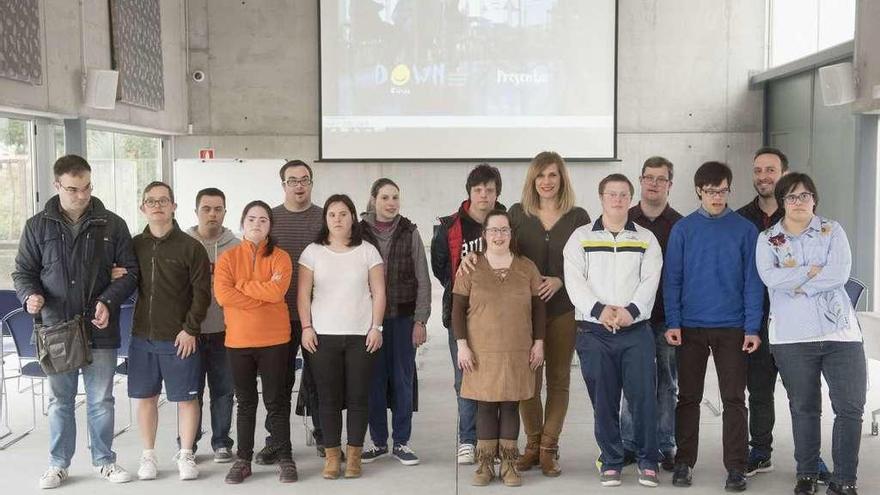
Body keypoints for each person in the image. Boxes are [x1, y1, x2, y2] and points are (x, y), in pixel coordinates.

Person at [13, 155, 139, 489]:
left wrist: (108, 299)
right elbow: (23, 272)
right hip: (55, 328)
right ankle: (58, 464)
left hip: (99, 327)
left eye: (86, 188)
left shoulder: (112, 224)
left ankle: (105, 461)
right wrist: (30, 296)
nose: (81, 195)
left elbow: (131, 272)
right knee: (60, 402)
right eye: (73, 189)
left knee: (101, 400)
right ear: (57, 186)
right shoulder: (37, 226)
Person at [756, 173, 866, 495]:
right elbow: (769, 277)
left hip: (840, 334)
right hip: (792, 337)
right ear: (782, 202)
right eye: (791, 197)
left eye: (804, 196)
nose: (798, 202)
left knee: (850, 407)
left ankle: (844, 480)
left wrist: (797, 282)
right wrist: (810, 272)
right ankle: (806, 473)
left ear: (814, 199)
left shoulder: (833, 231)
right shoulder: (768, 239)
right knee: (804, 407)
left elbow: (838, 274)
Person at [663, 162, 763, 491]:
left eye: (722, 190)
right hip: (690, 326)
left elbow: (753, 283)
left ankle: (736, 468)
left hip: (732, 327)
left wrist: (752, 327)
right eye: (710, 191)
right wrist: (673, 322)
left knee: (734, 399)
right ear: (698, 191)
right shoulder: (683, 229)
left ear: (729, 190)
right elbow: (672, 279)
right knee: (687, 398)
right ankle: (683, 463)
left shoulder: (746, 230)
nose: (717, 197)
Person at [563, 174, 663, 488]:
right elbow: (574, 282)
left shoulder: (646, 239)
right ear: (602, 198)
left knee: (643, 398)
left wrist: (630, 312)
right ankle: (611, 460)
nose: (617, 200)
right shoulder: (580, 238)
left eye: (623, 195)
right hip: (595, 333)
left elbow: (650, 281)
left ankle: (648, 460)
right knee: (603, 401)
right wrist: (600, 310)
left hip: (636, 332)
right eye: (611, 194)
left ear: (630, 199)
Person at [503, 151, 590, 476]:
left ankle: (548, 448)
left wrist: (560, 280)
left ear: (561, 178)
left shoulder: (578, 217)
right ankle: (532, 445)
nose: (547, 181)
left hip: (564, 310)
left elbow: (587, 266)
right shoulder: (517, 213)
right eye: (541, 176)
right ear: (532, 180)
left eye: (553, 175)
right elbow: (503, 256)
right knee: (528, 381)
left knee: (558, 380)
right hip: (525, 313)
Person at [453, 210, 545, 487]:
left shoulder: (527, 267)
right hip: (481, 351)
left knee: (510, 405)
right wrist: (462, 346)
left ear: (511, 234)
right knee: (484, 405)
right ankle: (484, 464)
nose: (499, 235)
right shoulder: (470, 267)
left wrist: (539, 343)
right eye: (493, 230)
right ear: (484, 235)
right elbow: (457, 309)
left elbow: (539, 309)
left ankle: (508, 464)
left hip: (518, 349)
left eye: (504, 230)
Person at [297, 194, 386, 479]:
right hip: (322, 337)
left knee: (359, 397)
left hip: (361, 335)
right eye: (332, 214)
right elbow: (302, 294)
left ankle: (355, 456)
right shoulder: (313, 251)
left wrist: (377, 327)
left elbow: (379, 292)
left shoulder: (368, 251)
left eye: (343, 214)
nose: (338, 219)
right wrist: (306, 327)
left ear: (353, 218)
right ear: (325, 219)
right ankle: (333, 457)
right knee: (328, 399)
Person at [129, 181, 211, 481]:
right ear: (143, 207)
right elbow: (125, 282)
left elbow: (202, 294)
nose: (158, 205)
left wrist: (190, 328)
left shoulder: (191, 247)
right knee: (146, 397)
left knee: (186, 399)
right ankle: (148, 456)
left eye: (164, 200)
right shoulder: (134, 245)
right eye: (151, 201)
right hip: (142, 337)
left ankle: (186, 454)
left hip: (180, 338)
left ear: (174, 206)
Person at [214, 201, 296, 484]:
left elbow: (277, 292)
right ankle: (243, 459)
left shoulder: (281, 257)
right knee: (246, 402)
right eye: (252, 218)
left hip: (274, 339)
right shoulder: (228, 258)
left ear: (270, 226)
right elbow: (224, 296)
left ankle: (285, 456)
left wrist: (244, 287)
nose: (257, 224)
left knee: (276, 401)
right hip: (238, 341)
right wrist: (260, 292)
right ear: (242, 223)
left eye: (263, 220)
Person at [431, 163, 505, 464]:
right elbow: (440, 268)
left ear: (497, 192)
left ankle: (497, 440)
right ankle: (467, 439)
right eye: (478, 190)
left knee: (499, 377)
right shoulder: (451, 226)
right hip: (462, 314)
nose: (484, 195)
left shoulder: (508, 221)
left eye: (489, 189)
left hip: (501, 314)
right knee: (465, 377)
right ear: (470, 193)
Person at [359, 179, 431, 466]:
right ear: (374, 200)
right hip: (368, 321)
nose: (391, 203)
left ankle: (401, 441)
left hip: (402, 319)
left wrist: (421, 320)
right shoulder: (358, 232)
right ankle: (378, 442)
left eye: (395, 198)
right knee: (374, 382)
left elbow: (422, 279)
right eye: (385, 197)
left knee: (402, 381)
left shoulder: (409, 231)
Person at [259, 160, 325, 464]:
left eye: (305, 179)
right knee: (278, 383)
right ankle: (277, 440)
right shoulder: (270, 218)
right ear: (283, 184)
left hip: (321, 315)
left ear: (311, 183)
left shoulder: (326, 217)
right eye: (292, 180)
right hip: (278, 316)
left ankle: (325, 435)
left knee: (322, 379)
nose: (299, 185)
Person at [620, 156, 682, 471]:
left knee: (667, 384)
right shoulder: (623, 219)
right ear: (641, 181)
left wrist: (679, 318)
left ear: (670, 184)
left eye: (661, 178)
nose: (654, 183)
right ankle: (629, 442)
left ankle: (666, 444)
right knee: (632, 382)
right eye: (649, 177)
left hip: (666, 318)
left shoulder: (680, 225)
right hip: (632, 317)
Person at [184, 188, 239, 462]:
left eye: (218, 209)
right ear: (196, 212)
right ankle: (188, 445)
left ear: (225, 213)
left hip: (225, 333)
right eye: (206, 208)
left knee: (224, 391)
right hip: (190, 334)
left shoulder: (237, 246)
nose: (212, 214)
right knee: (191, 392)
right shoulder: (182, 243)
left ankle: (221, 442)